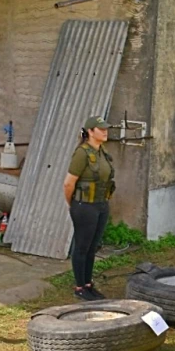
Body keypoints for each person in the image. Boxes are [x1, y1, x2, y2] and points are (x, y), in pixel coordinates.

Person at [63, 116, 115, 301]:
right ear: (90, 132)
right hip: (85, 206)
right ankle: (79, 287)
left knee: (92, 247)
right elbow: (69, 184)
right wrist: (74, 204)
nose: (105, 131)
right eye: (101, 129)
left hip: (101, 205)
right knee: (82, 247)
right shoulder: (82, 153)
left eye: (106, 128)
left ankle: (88, 284)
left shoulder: (102, 152)